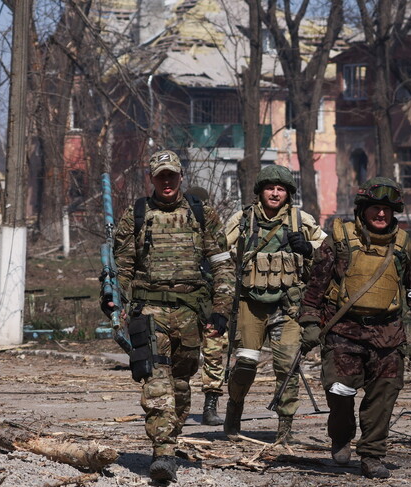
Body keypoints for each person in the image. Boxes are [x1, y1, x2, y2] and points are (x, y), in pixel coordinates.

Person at [104, 150, 235, 483]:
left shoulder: (201, 214)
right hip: (149, 311)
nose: (166, 181)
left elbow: (222, 264)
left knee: (180, 382)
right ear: (152, 178)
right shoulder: (136, 214)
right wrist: (114, 301)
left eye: (171, 175)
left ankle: (169, 440)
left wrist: (221, 309)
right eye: (160, 176)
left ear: (180, 176)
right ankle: (163, 451)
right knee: (156, 379)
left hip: (191, 312)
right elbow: (122, 268)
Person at [298, 177, 411, 479]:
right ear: (363, 209)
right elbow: (316, 286)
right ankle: (342, 436)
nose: (381, 214)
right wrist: (309, 322)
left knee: (383, 399)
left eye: (387, 209)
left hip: (388, 336)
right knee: (340, 392)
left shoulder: (406, 246)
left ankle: (372, 455)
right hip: (343, 333)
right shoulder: (340, 240)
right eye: (375, 208)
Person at [223, 165, 326, 444]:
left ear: (288, 194)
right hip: (250, 303)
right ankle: (234, 409)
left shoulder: (300, 221)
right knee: (245, 365)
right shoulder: (243, 220)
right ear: (260, 191)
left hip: (288, 306)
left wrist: (308, 248)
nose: (275, 193)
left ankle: (285, 427)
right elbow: (217, 253)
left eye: (281, 189)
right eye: (270, 188)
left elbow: (331, 254)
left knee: (287, 368)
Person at [184, 186, 226, 427]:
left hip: (209, 299)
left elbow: (223, 263)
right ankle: (181, 403)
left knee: (213, 353)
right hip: (185, 302)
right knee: (182, 354)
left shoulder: (211, 227)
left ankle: (211, 405)